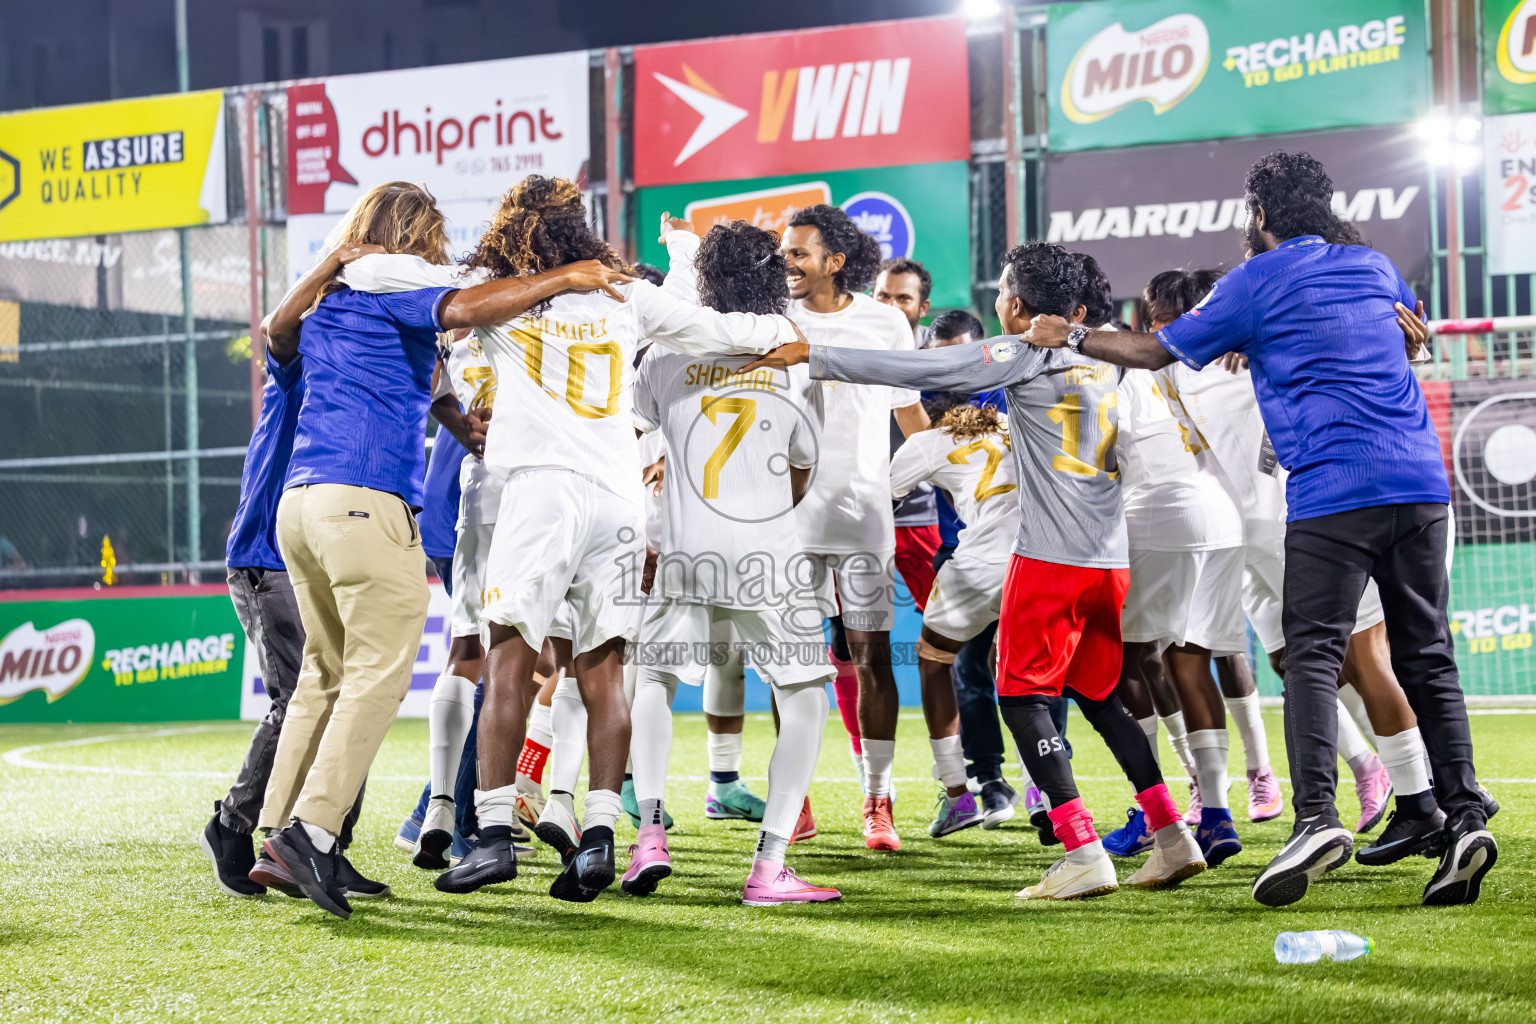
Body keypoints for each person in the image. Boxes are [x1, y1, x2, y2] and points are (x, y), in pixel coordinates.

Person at [1023, 151, 1495, 908]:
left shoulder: (1259, 278)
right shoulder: (1373, 265)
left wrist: (1067, 335)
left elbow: (1150, 349)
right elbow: (1410, 333)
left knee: (1309, 655)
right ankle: (1459, 813)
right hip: (1421, 483)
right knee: (1427, 656)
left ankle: (1316, 818)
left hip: (1333, 491)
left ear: (1261, 214)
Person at [348, 176, 799, 903]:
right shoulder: (623, 295)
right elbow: (721, 329)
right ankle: (597, 837)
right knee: (602, 670)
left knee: (508, 659)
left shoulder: (501, 297)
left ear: (511, 232)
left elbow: (432, 307)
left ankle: (492, 833)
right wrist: (784, 339)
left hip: (540, 494)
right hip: (619, 499)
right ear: (580, 232)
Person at [747, 240, 1207, 901]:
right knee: (1100, 696)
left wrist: (813, 354)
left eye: (1000, 293)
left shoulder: (1022, 353)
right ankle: (1170, 834)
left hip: (1049, 559)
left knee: (1019, 695)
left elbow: (908, 366)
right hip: (1110, 561)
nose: (996, 303)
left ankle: (1081, 849)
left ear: (1016, 306)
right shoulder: (1107, 361)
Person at [250, 181, 632, 919]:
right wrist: (567, 276)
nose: (438, 248)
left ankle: (275, 838)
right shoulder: (399, 284)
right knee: (378, 677)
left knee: (322, 679)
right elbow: (460, 308)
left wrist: (457, 421)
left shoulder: (329, 296)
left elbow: (280, 333)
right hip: (363, 497)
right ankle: (314, 835)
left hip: (300, 505)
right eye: (432, 233)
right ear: (414, 233)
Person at [626, 217, 838, 905]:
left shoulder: (663, 357)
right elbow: (805, 465)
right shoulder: (793, 351)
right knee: (805, 694)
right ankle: (770, 864)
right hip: (767, 551)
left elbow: (638, 425)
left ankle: (649, 832)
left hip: (686, 545)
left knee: (652, 678)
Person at [199, 244, 378, 901]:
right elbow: (277, 325)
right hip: (265, 559)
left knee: (349, 694)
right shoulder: (296, 369)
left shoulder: (355, 393)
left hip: (323, 559)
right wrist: (336, 262)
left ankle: (328, 847)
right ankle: (232, 823)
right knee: (303, 693)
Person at [780, 205, 929, 851]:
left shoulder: (885, 321)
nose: (786, 262)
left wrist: (962, 469)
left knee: (871, 657)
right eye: (784, 252)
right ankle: (796, 801)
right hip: (783, 520)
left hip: (863, 514)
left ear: (835, 261)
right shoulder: (768, 318)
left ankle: (878, 800)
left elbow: (911, 412)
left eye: (798, 253)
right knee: (792, 663)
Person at [889, 402, 1018, 838]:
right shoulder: (1009, 425)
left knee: (934, 660)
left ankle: (958, 794)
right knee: (1028, 673)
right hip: (1041, 557)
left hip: (981, 563)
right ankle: (1045, 792)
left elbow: (881, 500)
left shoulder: (928, 441)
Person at [875, 258, 943, 621]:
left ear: (923, 306)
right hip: (861, 510)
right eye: (882, 296)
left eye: (902, 298)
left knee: (943, 622)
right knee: (848, 634)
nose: (890, 307)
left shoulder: (942, 356)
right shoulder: (851, 346)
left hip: (920, 513)